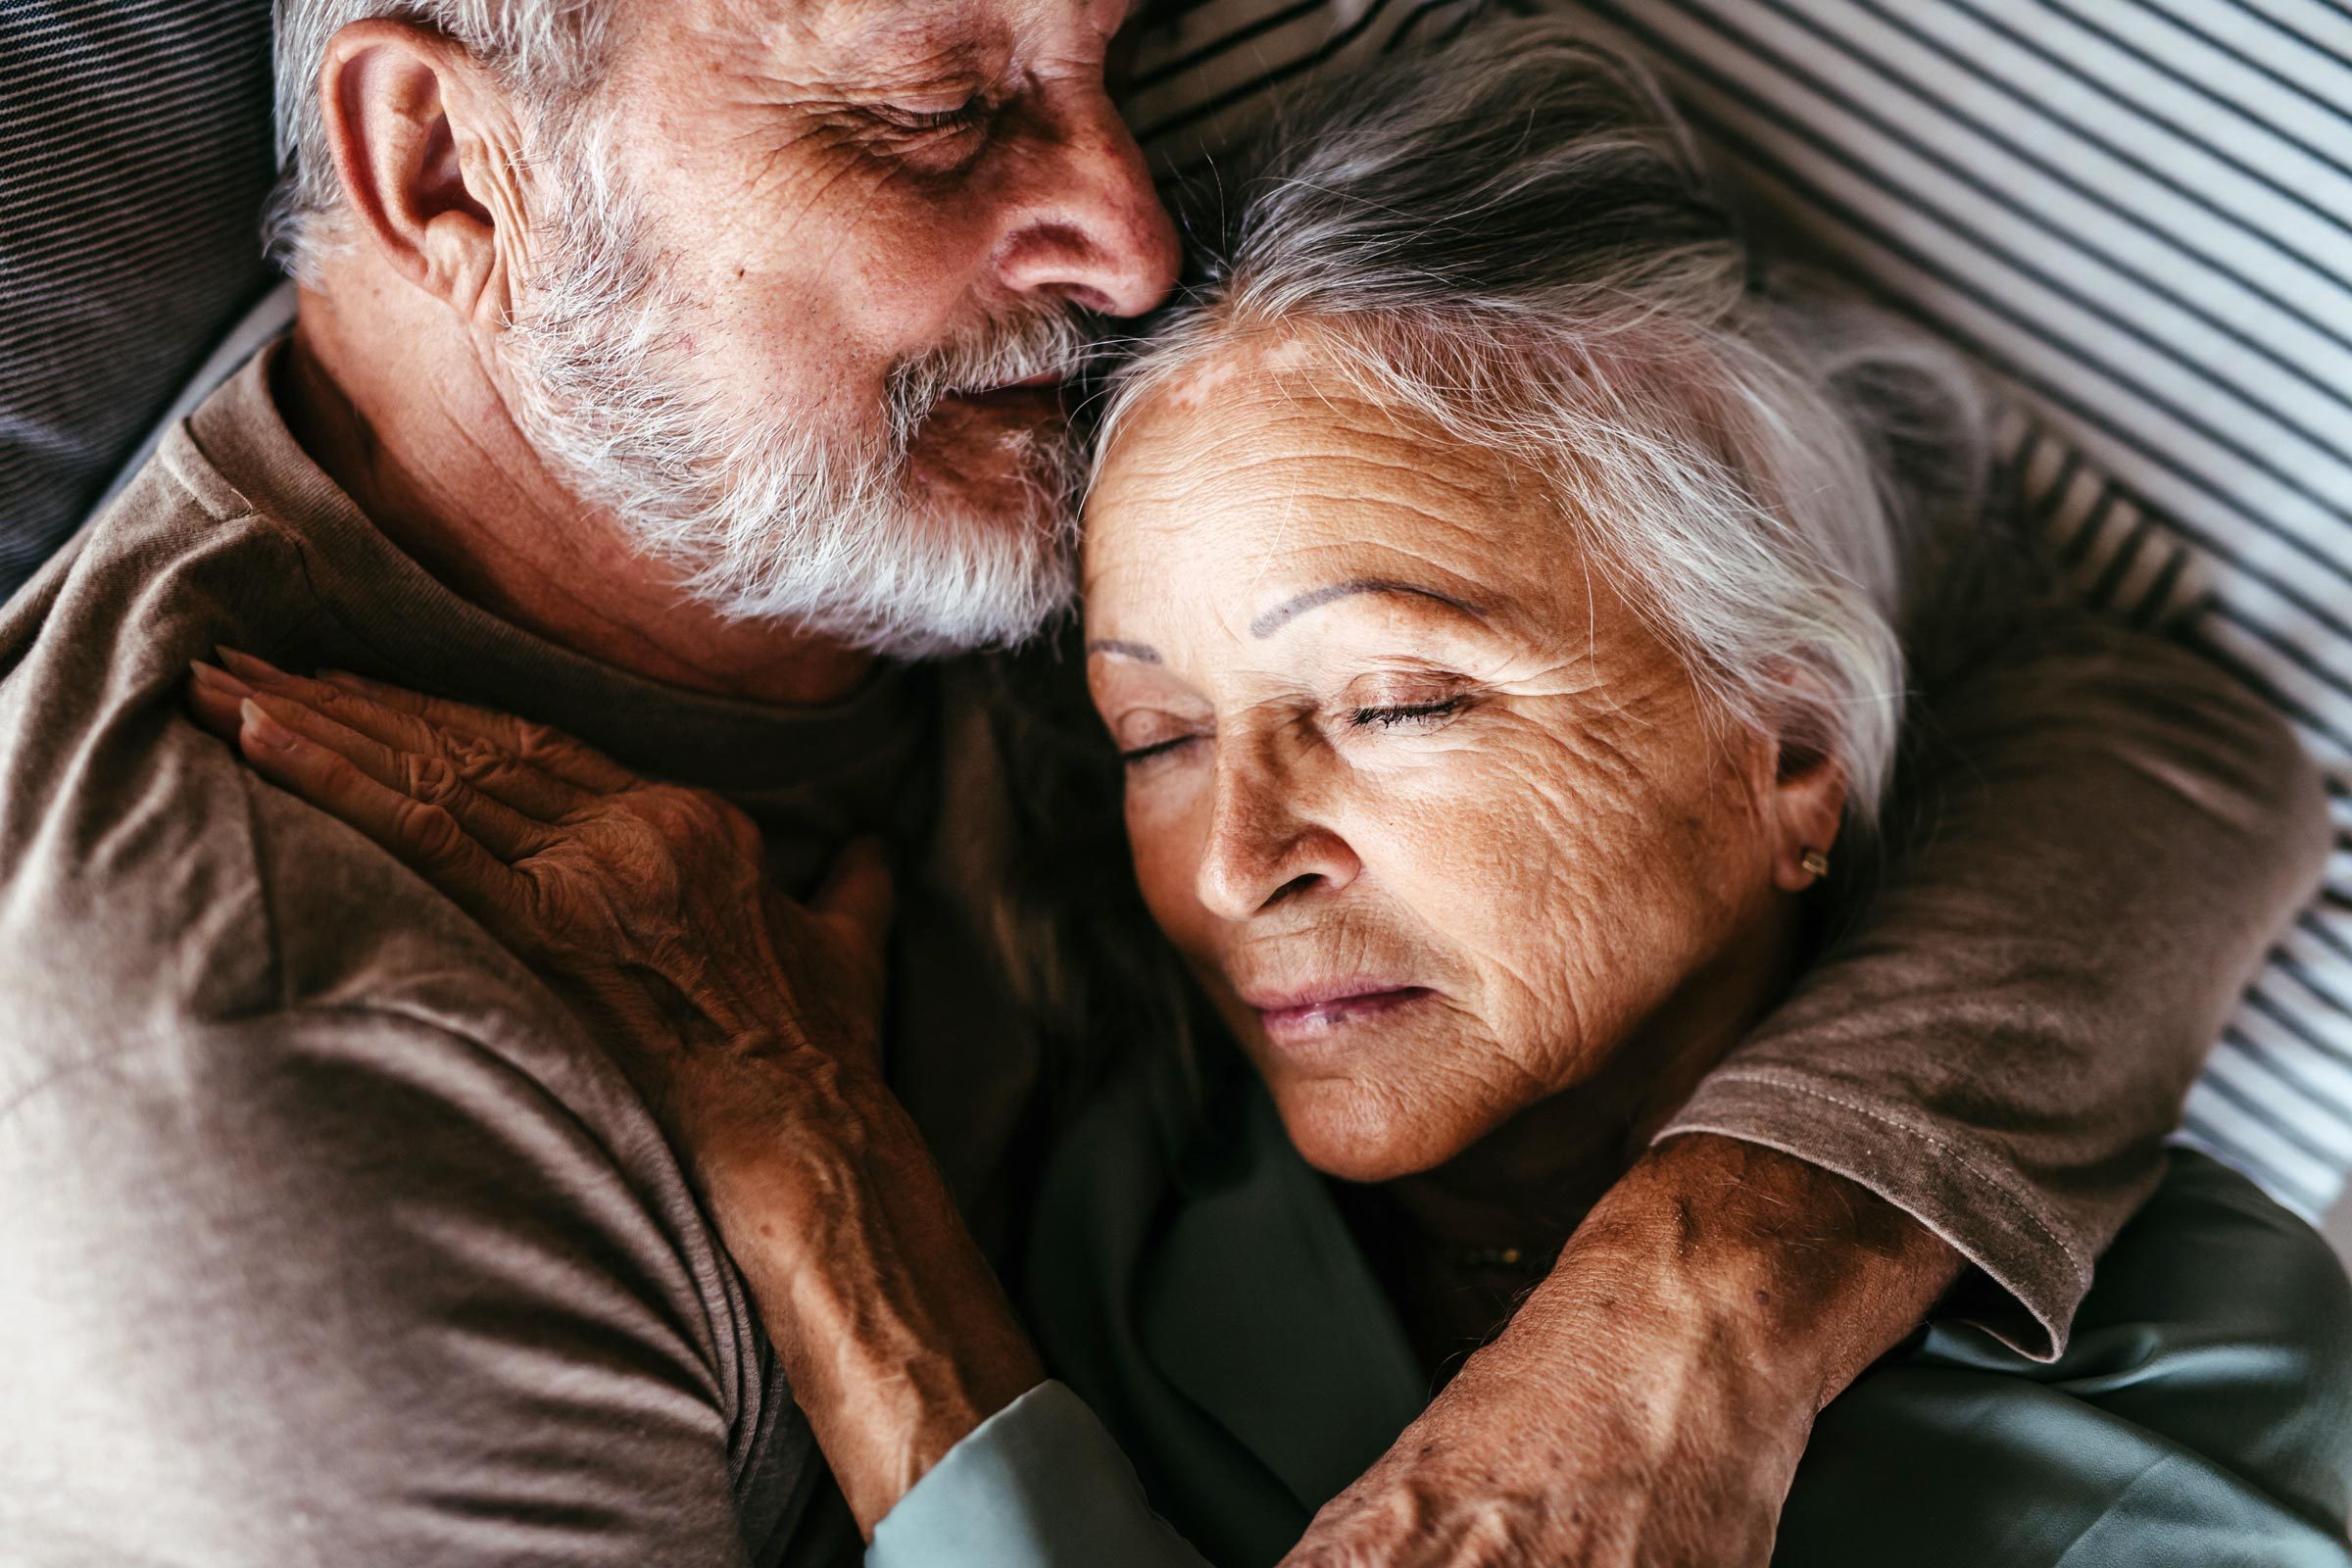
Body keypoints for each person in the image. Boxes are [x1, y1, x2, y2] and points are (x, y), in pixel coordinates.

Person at [163, 20, 2349, 1567]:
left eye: (1394, 700)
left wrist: (839, 1219)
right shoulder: (1123, 1177)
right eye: (1151, 735)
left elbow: (2174, 740)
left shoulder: (2194, 1439)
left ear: (1791, 753)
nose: (1230, 862)